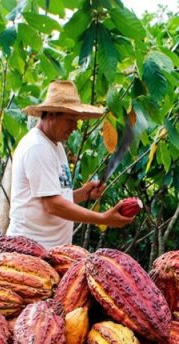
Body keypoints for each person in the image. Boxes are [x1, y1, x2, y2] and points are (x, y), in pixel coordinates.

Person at [7, 80, 134, 248]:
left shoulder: (56, 146)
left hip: (49, 250)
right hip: (28, 249)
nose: (75, 127)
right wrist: (103, 218)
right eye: (70, 120)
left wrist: (83, 194)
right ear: (51, 115)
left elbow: (53, 197)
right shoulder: (37, 146)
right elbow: (52, 205)